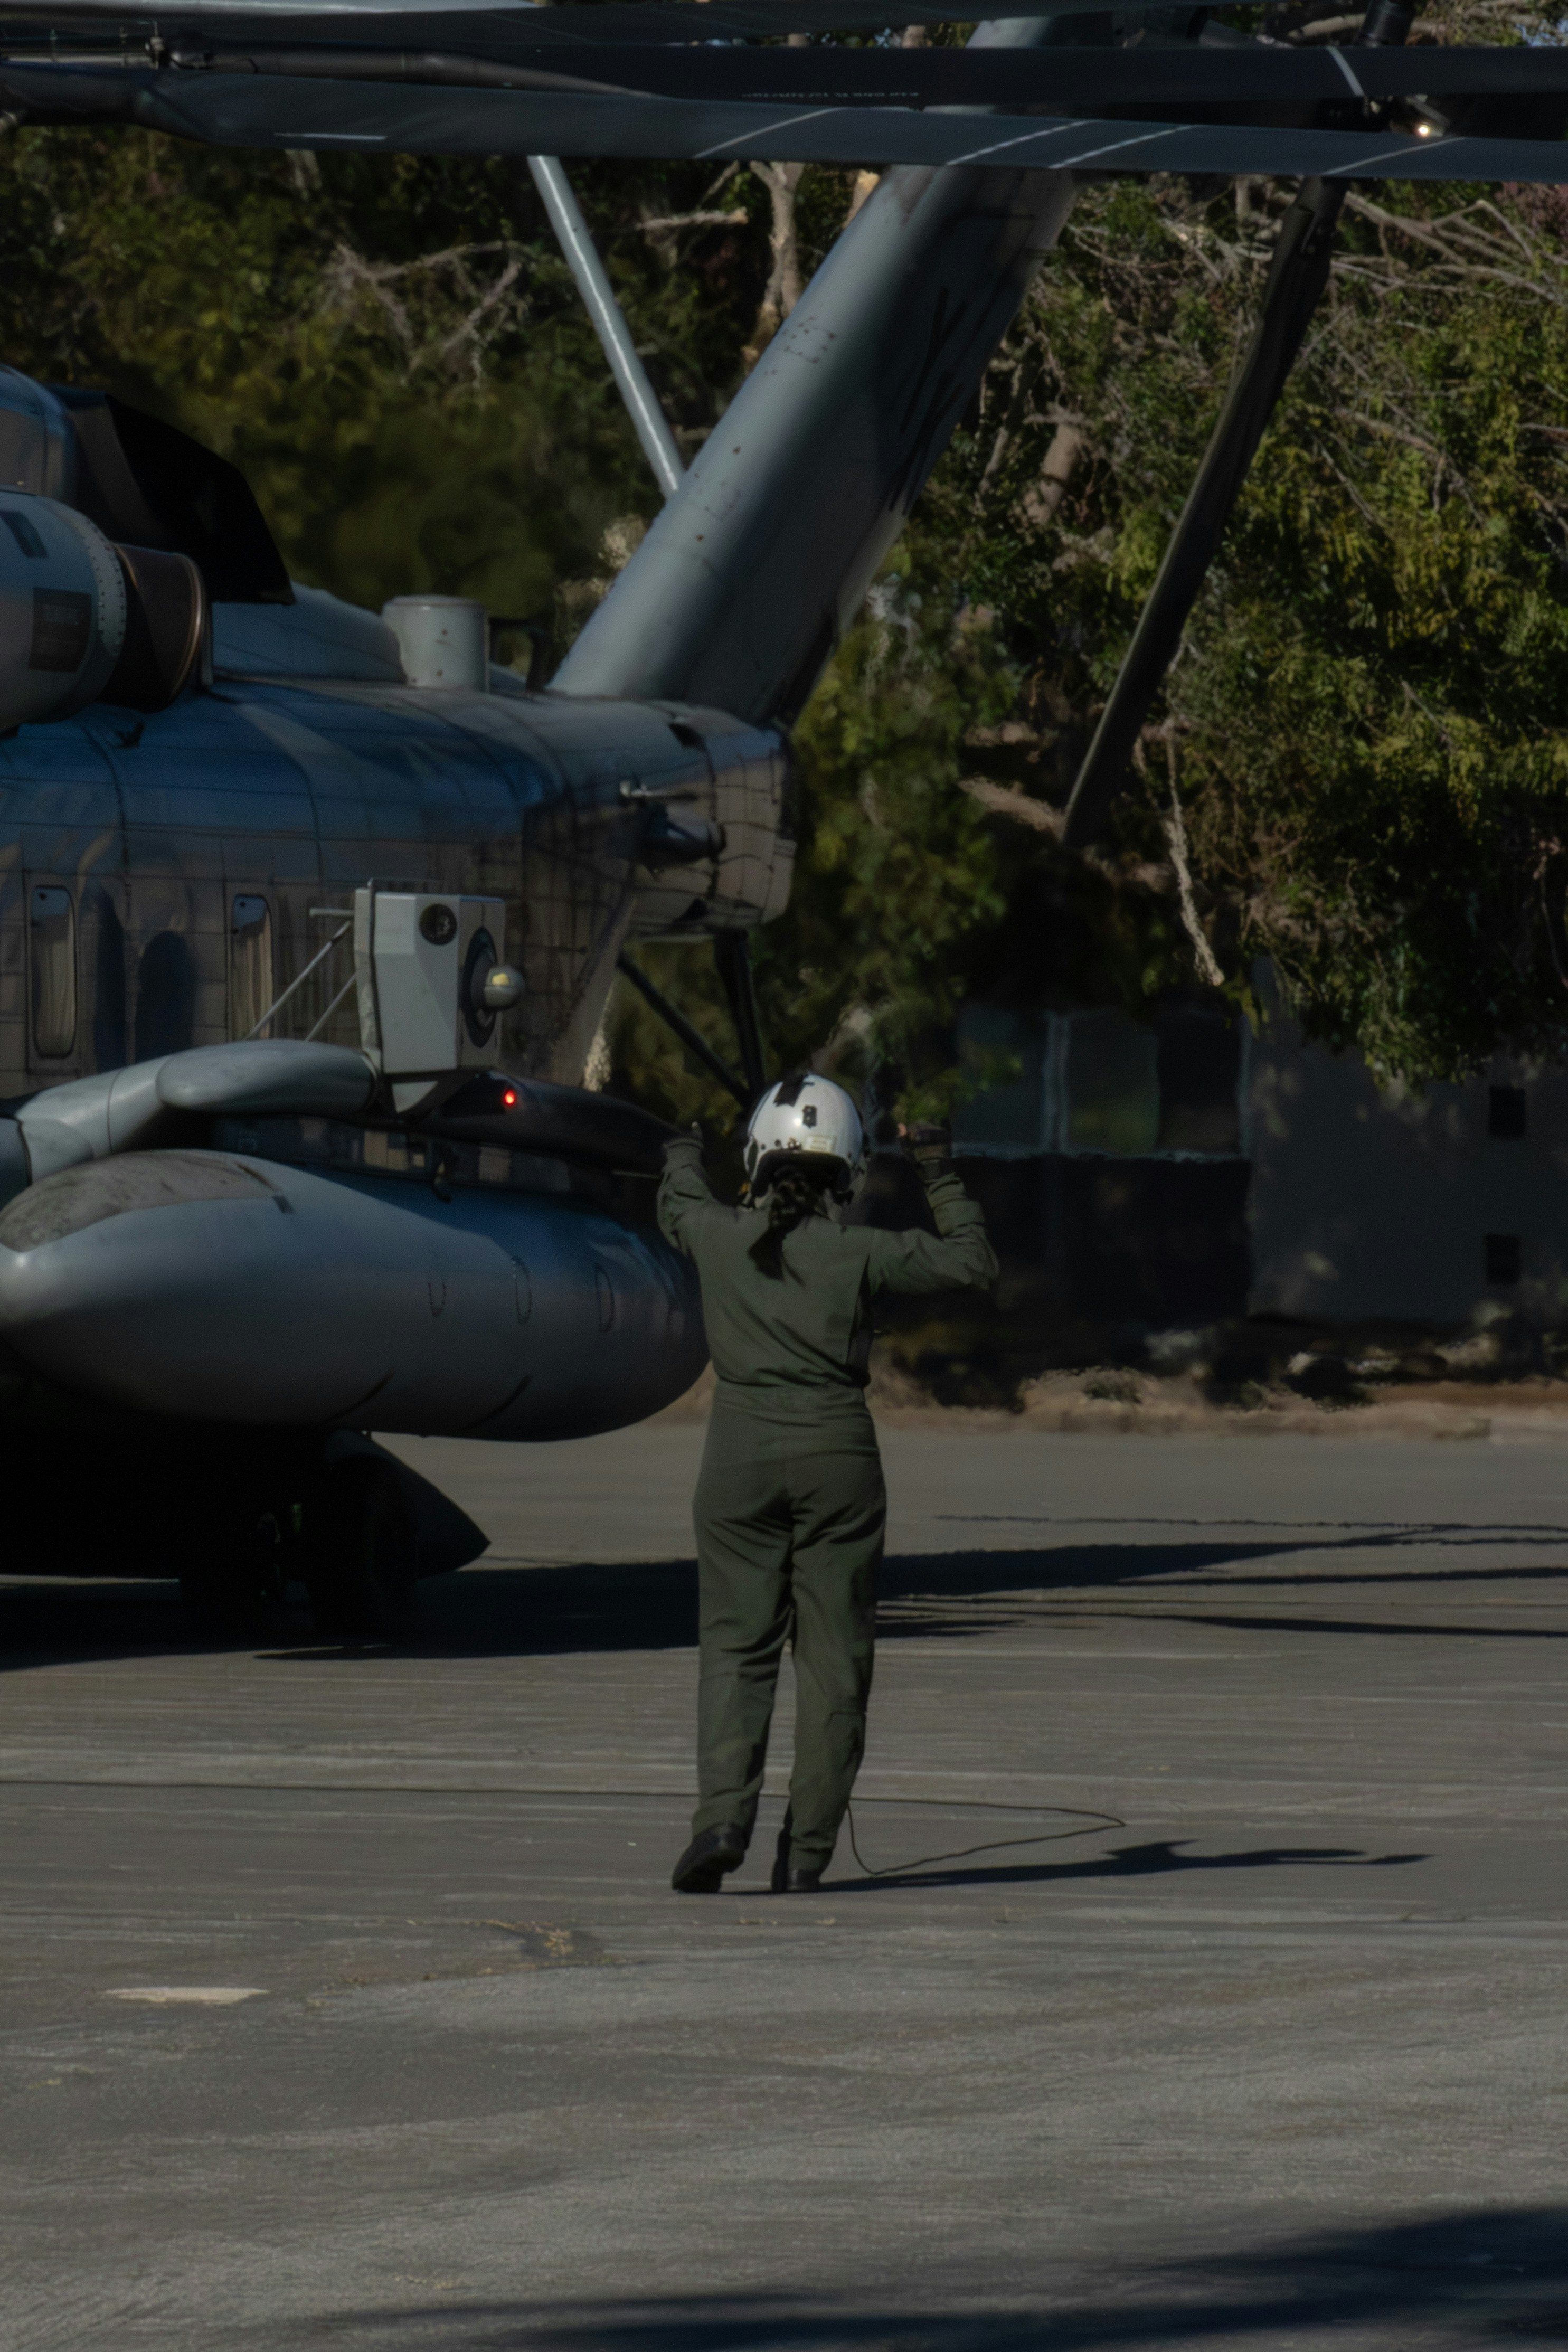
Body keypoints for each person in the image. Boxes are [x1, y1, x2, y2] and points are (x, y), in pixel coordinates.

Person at [658, 1071, 998, 1895]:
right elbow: (972, 1263)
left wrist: (677, 1140)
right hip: (837, 1456)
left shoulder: (712, 1233)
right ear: (844, 1171)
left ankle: (720, 1822)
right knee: (833, 1665)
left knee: (735, 1653)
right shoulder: (862, 1252)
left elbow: (674, 1201)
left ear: (758, 1160)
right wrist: (935, 1164)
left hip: (734, 1461)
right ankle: (806, 1853)